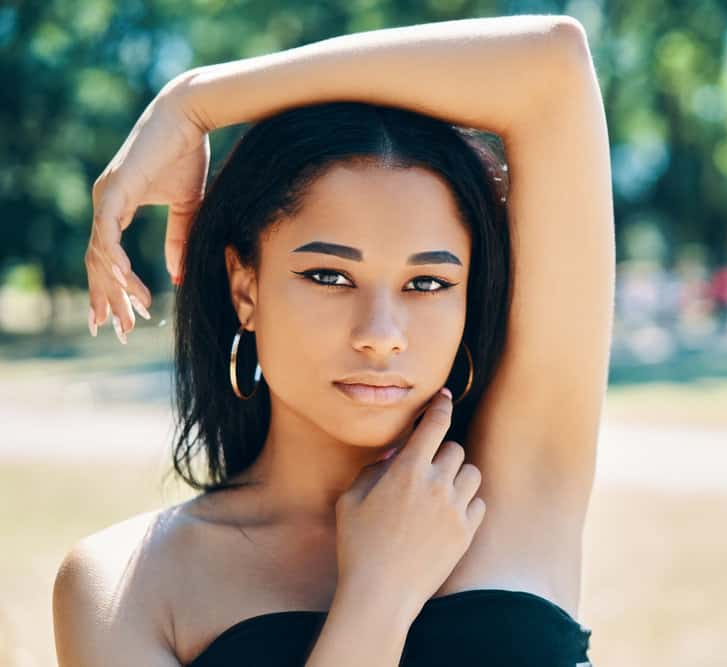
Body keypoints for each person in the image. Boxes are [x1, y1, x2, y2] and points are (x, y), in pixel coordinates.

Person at [54, 14, 613, 667]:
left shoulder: (520, 482)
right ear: (246, 288)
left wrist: (197, 103)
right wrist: (379, 592)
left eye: (427, 283)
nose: (380, 334)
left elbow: (553, 68)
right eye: (329, 275)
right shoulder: (124, 583)